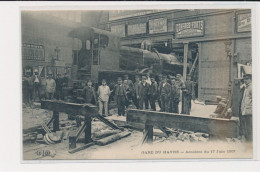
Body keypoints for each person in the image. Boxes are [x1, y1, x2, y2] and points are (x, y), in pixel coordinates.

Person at [239, 73, 252, 142]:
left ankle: (250, 143)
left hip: (249, 112)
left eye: (247, 79)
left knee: (249, 129)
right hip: (245, 111)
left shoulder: (252, 88)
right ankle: (248, 141)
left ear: (250, 79)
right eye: (244, 79)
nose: (245, 80)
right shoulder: (246, 87)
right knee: (246, 128)